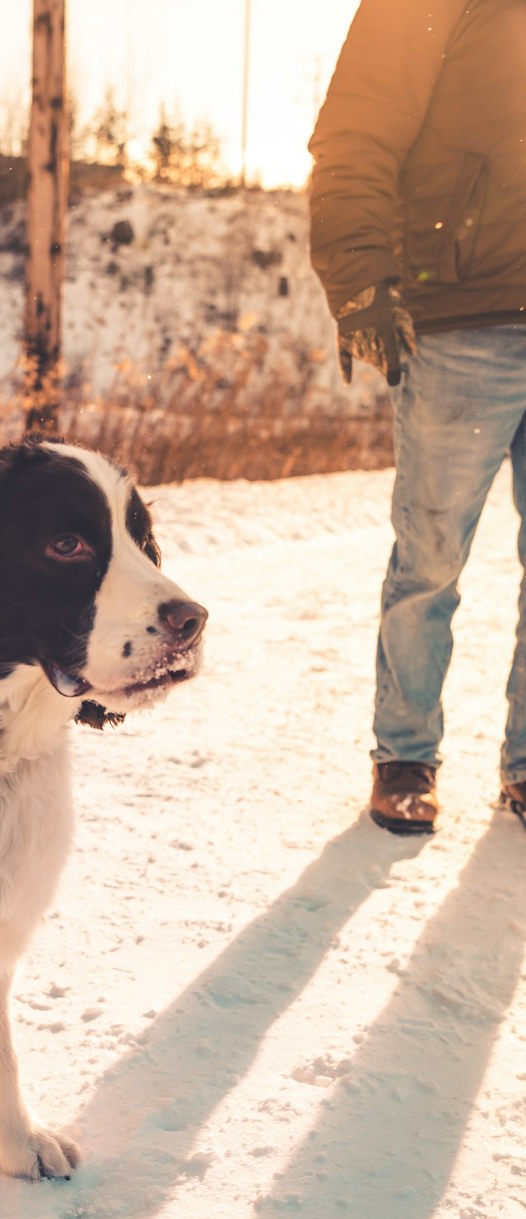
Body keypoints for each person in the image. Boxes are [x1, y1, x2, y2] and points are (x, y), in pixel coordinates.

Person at [309, 0, 526, 835]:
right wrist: (361, 277)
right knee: (431, 558)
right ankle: (405, 752)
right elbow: (356, 129)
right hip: (464, 319)